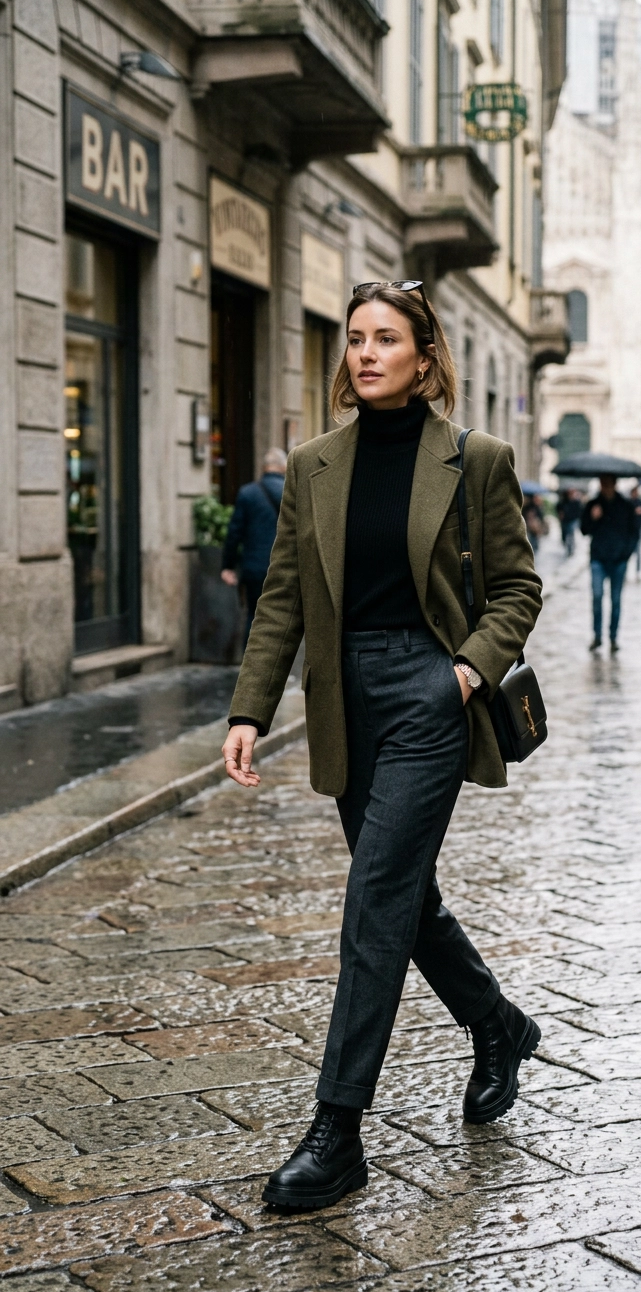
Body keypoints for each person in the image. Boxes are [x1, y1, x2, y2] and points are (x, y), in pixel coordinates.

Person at [220, 281, 543, 1211]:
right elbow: (283, 597)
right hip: (343, 700)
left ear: (424, 358)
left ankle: (338, 1131)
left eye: (386, 339)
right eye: (356, 339)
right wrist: (250, 710)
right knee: (403, 895)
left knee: (372, 903)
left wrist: (465, 672)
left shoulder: (476, 459)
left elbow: (518, 589)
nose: (365, 353)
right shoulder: (315, 464)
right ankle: (497, 1023)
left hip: (428, 697)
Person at [221, 449, 288, 649]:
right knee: (282, 618)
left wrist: (227, 566)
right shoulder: (291, 493)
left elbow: (234, 533)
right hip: (284, 567)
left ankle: (251, 662)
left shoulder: (248, 493)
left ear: (264, 467)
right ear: (283, 467)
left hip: (254, 568)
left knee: (254, 615)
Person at [580, 475, 641, 652]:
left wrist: (626, 554)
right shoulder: (593, 504)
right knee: (597, 596)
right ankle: (597, 636)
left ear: (614, 484)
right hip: (598, 558)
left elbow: (634, 532)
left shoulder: (626, 505)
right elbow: (584, 530)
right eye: (602, 483)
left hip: (618, 560)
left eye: (608, 483)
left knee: (616, 600)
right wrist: (593, 518)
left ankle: (613, 637)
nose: (605, 487)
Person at [556, 488, 581, 557]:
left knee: (570, 535)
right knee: (564, 534)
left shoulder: (576, 502)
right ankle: (567, 546)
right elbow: (558, 507)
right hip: (564, 521)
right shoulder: (563, 501)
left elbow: (579, 511)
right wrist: (560, 513)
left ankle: (570, 549)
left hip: (572, 521)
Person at [628, 483, 641, 577]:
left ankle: (638, 571)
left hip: (638, 529)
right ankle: (626, 571)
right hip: (629, 531)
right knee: (628, 551)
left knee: (638, 552)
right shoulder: (629, 502)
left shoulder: (640, 502)